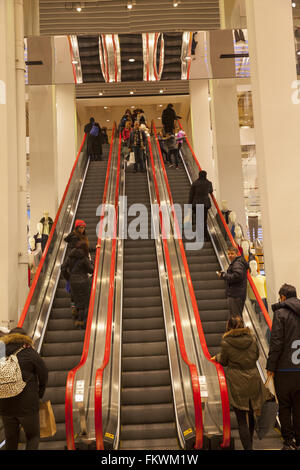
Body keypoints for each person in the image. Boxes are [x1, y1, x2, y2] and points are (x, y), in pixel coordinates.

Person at [212, 316, 266, 450]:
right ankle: (250, 444)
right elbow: (256, 356)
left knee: (241, 419)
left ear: (229, 326)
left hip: (236, 381)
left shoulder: (226, 341)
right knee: (251, 412)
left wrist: (217, 357)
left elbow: (224, 360)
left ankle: (248, 448)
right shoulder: (252, 339)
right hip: (253, 378)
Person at [0, 327, 48, 450]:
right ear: (25, 338)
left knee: (11, 439)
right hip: (27, 405)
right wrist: (39, 395)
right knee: (33, 436)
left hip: (5, 405)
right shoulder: (30, 353)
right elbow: (44, 374)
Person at [266, 283, 300, 450]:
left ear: (283, 297)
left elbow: (277, 342)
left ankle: (289, 440)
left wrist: (270, 366)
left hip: (285, 370)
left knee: (285, 406)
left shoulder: (280, 313)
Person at [61, 240, 94, 329]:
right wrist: (92, 263)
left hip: (73, 282)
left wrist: (68, 277)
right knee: (83, 304)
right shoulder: (84, 257)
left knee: (76, 301)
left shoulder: (70, 256)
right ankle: (81, 323)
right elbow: (91, 270)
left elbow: (63, 268)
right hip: (83, 282)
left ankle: (77, 320)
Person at [217, 245, 249, 318]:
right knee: (236, 317)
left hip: (236, 295)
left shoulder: (237, 263)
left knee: (236, 318)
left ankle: (239, 329)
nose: (230, 255)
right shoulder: (237, 263)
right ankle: (238, 329)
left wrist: (224, 275)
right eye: (228, 254)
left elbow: (237, 276)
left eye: (232, 253)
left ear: (236, 254)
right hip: (237, 294)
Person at [188, 170, 213, 241]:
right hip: (205, 204)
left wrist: (189, 205)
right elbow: (210, 191)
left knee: (198, 221)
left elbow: (191, 195)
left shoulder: (195, 183)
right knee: (204, 220)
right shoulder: (208, 183)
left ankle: (200, 236)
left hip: (196, 204)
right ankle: (206, 236)